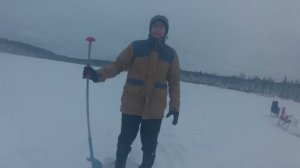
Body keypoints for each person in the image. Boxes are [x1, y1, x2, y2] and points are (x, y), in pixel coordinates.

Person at [83, 15, 180, 168]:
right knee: (124, 140)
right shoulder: (136, 47)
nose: (158, 28)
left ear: (165, 31)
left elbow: (174, 81)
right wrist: (97, 74)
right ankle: (119, 165)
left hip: (154, 109)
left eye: (161, 26)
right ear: (150, 28)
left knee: (149, 146)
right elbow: (117, 65)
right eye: (155, 25)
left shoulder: (171, 54)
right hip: (132, 104)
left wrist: (175, 106)